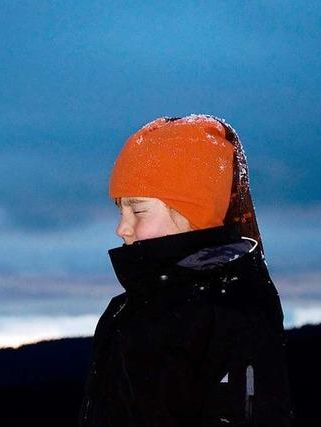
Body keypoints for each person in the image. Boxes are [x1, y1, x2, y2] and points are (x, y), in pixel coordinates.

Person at [78, 114, 295, 426]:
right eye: (120, 209)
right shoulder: (126, 309)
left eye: (137, 210)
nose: (122, 228)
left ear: (193, 212)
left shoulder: (233, 310)